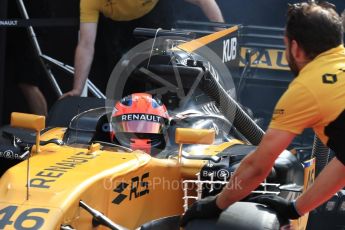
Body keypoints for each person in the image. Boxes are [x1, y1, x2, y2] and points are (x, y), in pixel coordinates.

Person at [181, 1, 345, 226]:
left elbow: (258, 166)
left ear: (295, 48)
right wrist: (297, 208)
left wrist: (216, 203)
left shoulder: (306, 88)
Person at [61, 0, 225, 98]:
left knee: (165, 79)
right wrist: (77, 89)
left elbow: (204, 1)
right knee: (123, 86)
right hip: (119, 30)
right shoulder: (90, 1)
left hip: (156, 18)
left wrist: (222, 36)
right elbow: (85, 45)